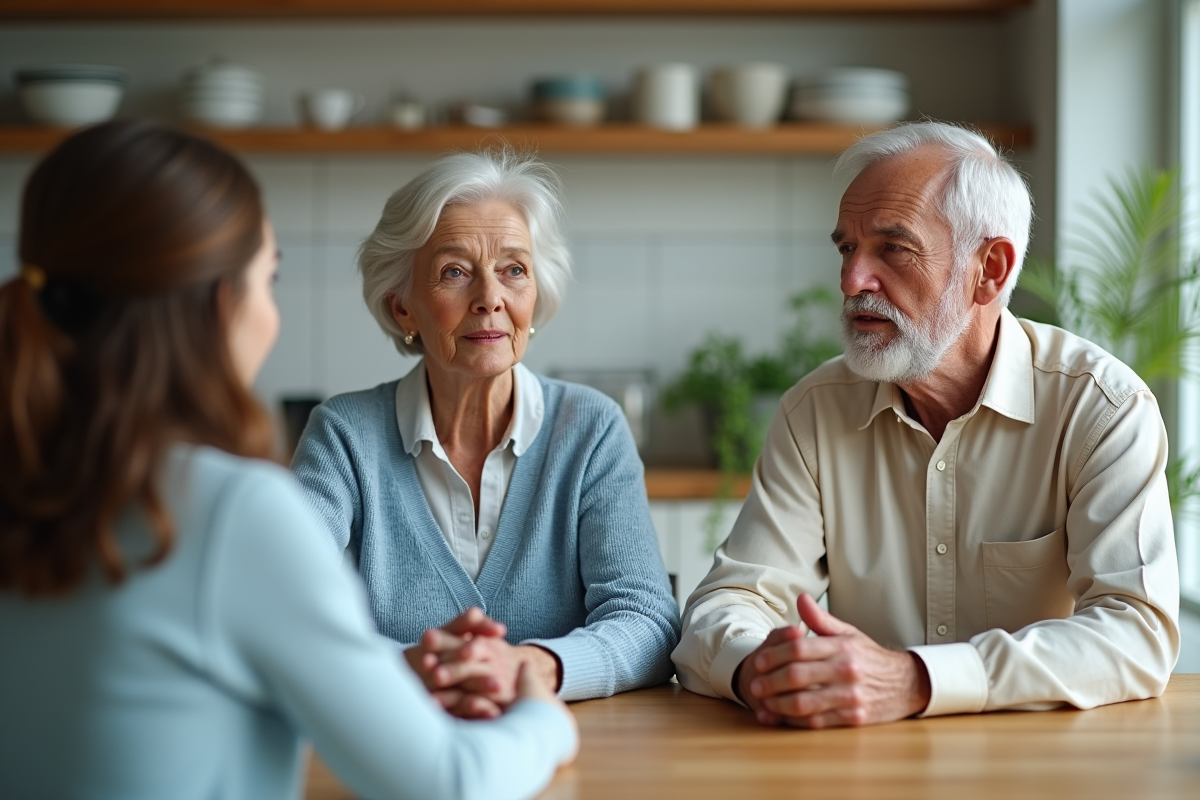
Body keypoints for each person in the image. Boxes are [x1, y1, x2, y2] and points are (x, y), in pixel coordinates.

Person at [0, 121, 576, 800]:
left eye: (514, 268)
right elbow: (451, 781)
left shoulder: (25, 486)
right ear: (223, 303)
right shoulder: (227, 513)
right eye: (269, 278)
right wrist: (541, 709)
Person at [672, 121, 1180, 727]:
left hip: (1044, 767)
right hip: (865, 765)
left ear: (989, 270)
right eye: (846, 248)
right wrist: (757, 665)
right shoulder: (815, 412)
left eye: (893, 247)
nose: (852, 280)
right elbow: (729, 603)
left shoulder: (1102, 409)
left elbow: (1137, 632)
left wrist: (916, 680)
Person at [291, 150, 679, 718]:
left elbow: (648, 623)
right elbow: (284, 612)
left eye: (514, 270)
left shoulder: (591, 429)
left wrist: (529, 669)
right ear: (403, 308)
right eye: (454, 271)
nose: (490, 297)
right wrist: (413, 669)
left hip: (567, 755)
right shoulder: (343, 436)